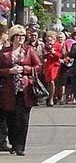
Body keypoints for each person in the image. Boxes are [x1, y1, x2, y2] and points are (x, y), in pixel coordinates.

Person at [0, 26, 42, 155]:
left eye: (23, 36)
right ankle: (13, 142)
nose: (21, 38)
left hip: (25, 89)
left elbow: (38, 66)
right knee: (11, 118)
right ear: (12, 38)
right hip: (9, 90)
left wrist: (25, 70)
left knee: (23, 119)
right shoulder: (4, 52)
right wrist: (9, 71)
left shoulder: (29, 50)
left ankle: (20, 146)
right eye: (18, 36)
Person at [42, 31, 63, 107]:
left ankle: (52, 98)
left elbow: (61, 55)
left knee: (52, 80)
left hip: (55, 65)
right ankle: (50, 96)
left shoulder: (58, 45)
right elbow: (43, 56)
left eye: (51, 37)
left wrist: (54, 53)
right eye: (48, 37)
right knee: (48, 81)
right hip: (48, 64)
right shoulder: (45, 46)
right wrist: (47, 53)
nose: (49, 39)